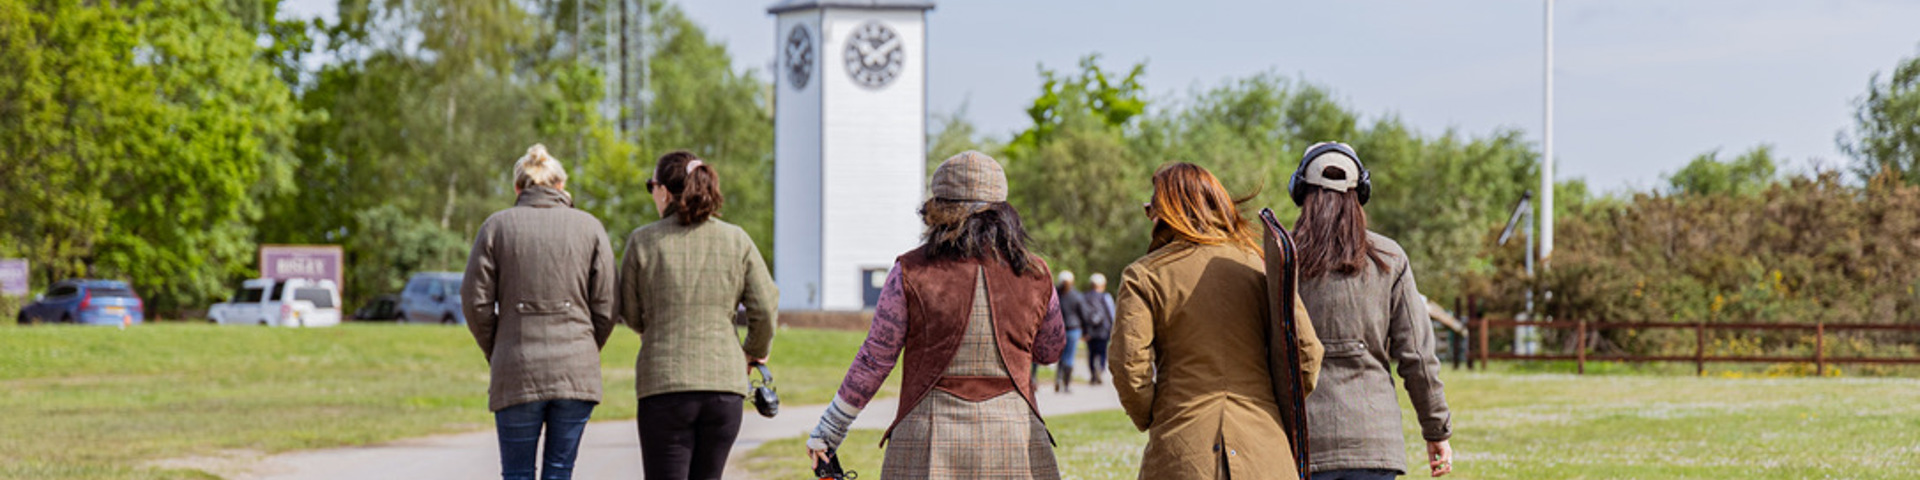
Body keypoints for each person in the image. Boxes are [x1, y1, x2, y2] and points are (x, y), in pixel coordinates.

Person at [806, 151, 1066, 479]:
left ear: (939, 211)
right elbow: (1050, 350)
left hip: (928, 438)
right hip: (1014, 437)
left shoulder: (910, 271)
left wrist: (829, 430)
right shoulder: (1035, 273)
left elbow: (875, 359)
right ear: (1003, 212)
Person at [1111, 162, 1324, 479]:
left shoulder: (1144, 275)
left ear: (1166, 211)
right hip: (1265, 453)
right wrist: (1270, 406)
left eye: (1150, 208)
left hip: (1182, 453)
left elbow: (1129, 367)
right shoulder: (1261, 265)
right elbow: (1306, 356)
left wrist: (1158, 415)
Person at [1288, 142, 1453, 479]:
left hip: (1299, 443)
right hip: (1374, 444)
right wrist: (1436, 430)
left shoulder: (1277, 257)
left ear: (1300, 189)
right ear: (1361, 191)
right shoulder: (1390, 258)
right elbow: (1417, 357)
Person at [617, 150, 778, 480]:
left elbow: (630, 312)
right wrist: (752, 353)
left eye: (652, 186)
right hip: (724, 386)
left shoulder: (643, 242)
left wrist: (655, 327)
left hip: (664, 385)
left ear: (663, 191)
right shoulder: (737, 240)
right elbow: (765, 306)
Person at [462, 144, 617, 480]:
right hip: (576, 369)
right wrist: (585, 347)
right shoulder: (590, 227)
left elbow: (476, 303)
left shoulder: (496, 227)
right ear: (561, 186)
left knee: (516, 474)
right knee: (560, 472)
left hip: (516, 366)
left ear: (518, 188)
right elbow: (606, 305)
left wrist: (499, 348)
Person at [1054, 270, 1085, 392]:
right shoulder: (1077, 295)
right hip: (1073, 329)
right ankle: (1066, 385)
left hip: (1058, 329)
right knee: (1069, 357)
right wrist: (1086, 330)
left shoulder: (1055, 294)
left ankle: (1058, 378)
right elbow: (1083, 314)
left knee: (1060, 356)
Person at [1081, 273, 1115, 385]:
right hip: (1103, 330)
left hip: (1089, 331)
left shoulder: (1085, 297)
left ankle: (1092, 374)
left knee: (1091, 353)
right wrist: (1113, 328)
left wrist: (1083, 330)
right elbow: (1111, 314)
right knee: (1102, 352)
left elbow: (1082, 314)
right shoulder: (1106, 297)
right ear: (1103, 284)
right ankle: (1100, 368)